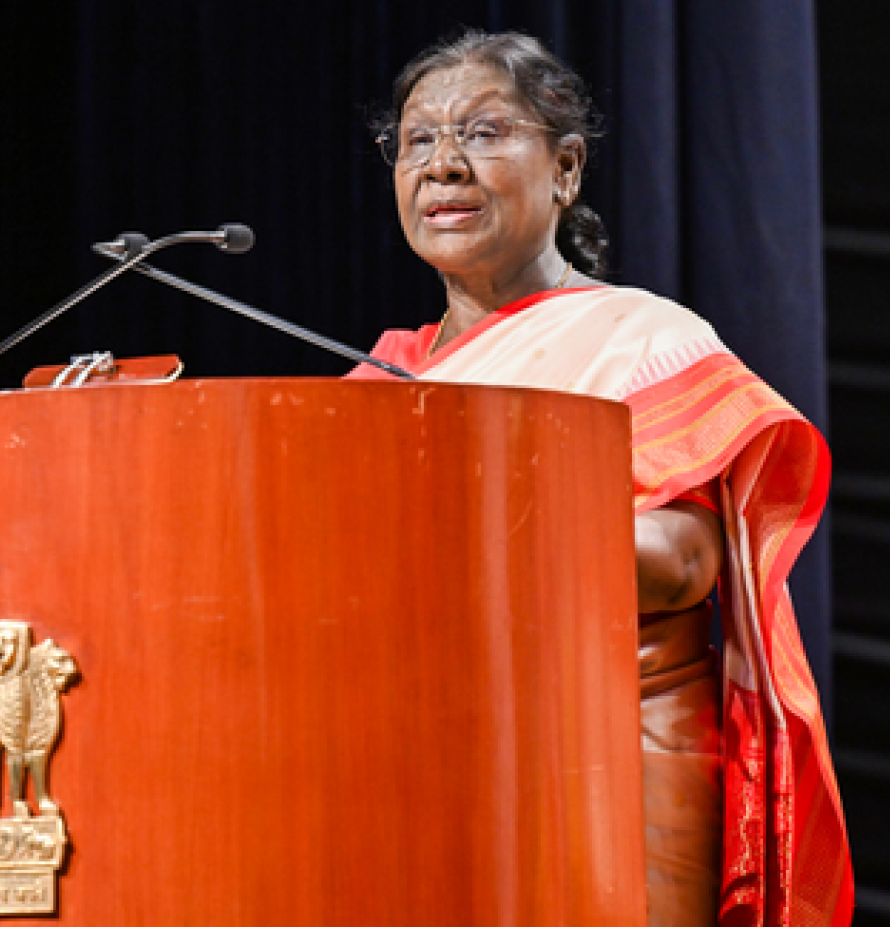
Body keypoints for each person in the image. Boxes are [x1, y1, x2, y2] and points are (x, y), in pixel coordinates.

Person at [347, 29, 852, 926]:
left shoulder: (641, 340)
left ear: (567, 168)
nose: (443, 165)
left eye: (484, 132)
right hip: (413, 775)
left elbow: (683, 562)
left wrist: (476, 516)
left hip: (607, 777)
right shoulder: (379, 381)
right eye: (418, 140)